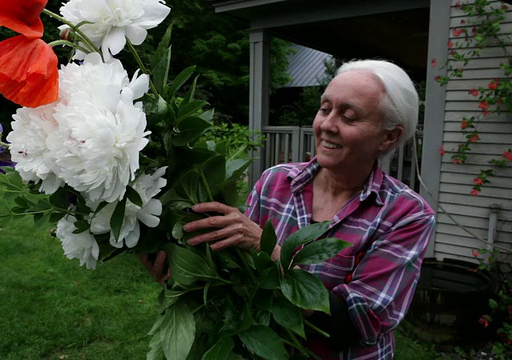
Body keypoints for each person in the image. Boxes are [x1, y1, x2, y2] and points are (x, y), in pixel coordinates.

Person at [141, 59, 436, 360]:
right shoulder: (276, 181)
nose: (327, 125)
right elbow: (237, 274)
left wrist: (264, 246)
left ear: (389, 136)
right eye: (324, 109)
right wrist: (180, 263)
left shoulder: (405, 214)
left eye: (349, 117)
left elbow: (355, 323)